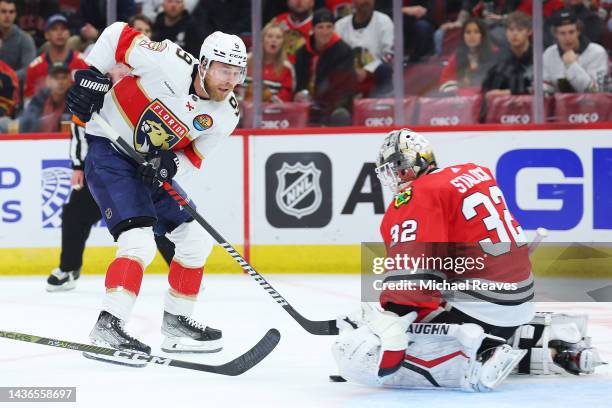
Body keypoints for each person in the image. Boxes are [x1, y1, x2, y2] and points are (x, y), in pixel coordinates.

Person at [331, 129, 604, 390]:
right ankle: (547, 344)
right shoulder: (475, 172)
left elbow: (411, 280)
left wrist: (392, 320)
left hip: (480, 311)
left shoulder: (416, 195)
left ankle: (479, 354)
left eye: (397, 169)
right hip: (521, 300)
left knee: (374, 345)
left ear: (413, 166)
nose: (396, 177)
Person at [66, 22, 246, 361]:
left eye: (237, 72)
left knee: (194, 241)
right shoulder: (169, 62)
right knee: (139, 242)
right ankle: (108, 327)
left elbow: (193, 157)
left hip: (148, 168)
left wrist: (170, 167)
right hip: (108, 150)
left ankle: (177, 323)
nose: (231, 80)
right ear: (204, 64)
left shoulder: (226, 114)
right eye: (224, 70)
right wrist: (92, 74)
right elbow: (117, 34)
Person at [294, 8, 355, 126]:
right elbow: (300, 82)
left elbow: (343, 87)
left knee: (340, 115)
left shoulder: (344, 51)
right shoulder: (302, 52)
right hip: (308, 105)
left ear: (334, 28)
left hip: (335, 105)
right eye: (320, 27)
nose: (325, 31)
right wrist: (299, 93)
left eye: (329, 27)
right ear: (312, 29)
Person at [335, 0, 394, 98]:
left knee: (385, 69)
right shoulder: (340, 26)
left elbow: (390, 55)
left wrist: (367, 70)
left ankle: (382, 102)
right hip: (348, 76)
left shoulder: (384, 21)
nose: (367, 1)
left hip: (376, 76)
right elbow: (334, 56)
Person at [24, 14, 89, 103]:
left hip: (77, 114)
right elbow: (29, 103)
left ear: (69, 33)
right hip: (43, 114)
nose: (59, 33)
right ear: (46, 35)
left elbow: (90, 98)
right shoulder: (34, 67)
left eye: (63, 29)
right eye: (54, 29)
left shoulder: (84, 63)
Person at [543, 8, 609, 94]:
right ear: (555, 34)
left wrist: (572, 66)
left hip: (590, 106)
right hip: (559, 106)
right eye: (562, 33)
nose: (567, 38)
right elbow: (544, 85)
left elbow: (595, 91)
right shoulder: (548, 54)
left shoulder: (597, 52)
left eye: (571, 32)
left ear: (578, 31)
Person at [439, 18, 497, 95]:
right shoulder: (457, 56)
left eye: (476, 32)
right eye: (468, 32)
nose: (472, 36)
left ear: (483, 35)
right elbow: (445, 80)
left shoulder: (494, 53)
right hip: (464, 101)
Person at [482, 11, 534, 97]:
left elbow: (546, 88)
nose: (515, 34)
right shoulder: (498, 59)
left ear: (529, 31)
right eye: (511, 29)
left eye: (520, 29)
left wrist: (507, 93)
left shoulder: (540, 57)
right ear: (505, 32)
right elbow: (488, 89)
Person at [243, 23, 295, 103]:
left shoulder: (287, 68)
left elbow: (284, 101)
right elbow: (233, 88)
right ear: (262, 39)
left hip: (271, 113)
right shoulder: (244, 61)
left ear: (283, 43)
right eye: (270, 36)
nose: (274, 40)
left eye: (278, 37)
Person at [19, 62, 71, 132]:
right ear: (48, 81)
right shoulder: (39, 98)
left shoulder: (75, 98)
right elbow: (27, 121)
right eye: (56, 78)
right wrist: (44, 121)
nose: (60, 82)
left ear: (69, 81)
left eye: (64, 78)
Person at [0, 0, 36, 81]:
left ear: (15, 14)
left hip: (15, 89)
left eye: (11, 12)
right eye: (3, 11)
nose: (7, 15)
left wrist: (6, 79)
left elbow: (29, 69)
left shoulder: (25, 39)